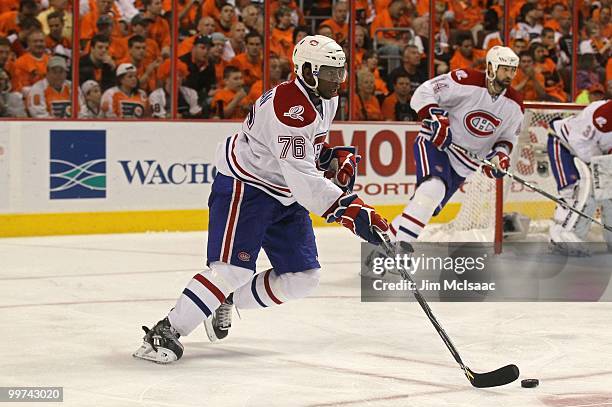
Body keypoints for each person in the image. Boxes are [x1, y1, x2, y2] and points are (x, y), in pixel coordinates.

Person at [133, 35, 389, 364]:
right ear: (307, 71)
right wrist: (353, 211)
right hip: (247, 188)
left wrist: (328, 159)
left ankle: (224, 300)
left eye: (340, 72)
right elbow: (304, 183)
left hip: (283, 191)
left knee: (303, 279)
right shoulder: (288, 109)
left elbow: (303, 154)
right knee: (231, 270)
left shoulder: (325, 99)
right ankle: (165, 331)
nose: (336, 80)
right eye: (328, 72)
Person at [390, 46, 523, 243]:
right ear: (491, 67)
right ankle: (398, 253)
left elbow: (507, 138)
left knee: (425, 206)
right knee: (432, 190)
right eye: (505, 68)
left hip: (464, 165)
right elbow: (424, 92)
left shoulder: (515, 104)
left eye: (513, 70)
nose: (509, 74)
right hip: (437, 144)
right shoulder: (466, 80)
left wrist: (500, 155)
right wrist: (435, 116)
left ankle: (381, 246)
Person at [546, 99, 612, 255]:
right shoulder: (604, 114)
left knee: (609, 196)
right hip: (565, 145)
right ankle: (561, 240)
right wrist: (595, 165)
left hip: (597, 155)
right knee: (573, 192)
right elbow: (579, 140)